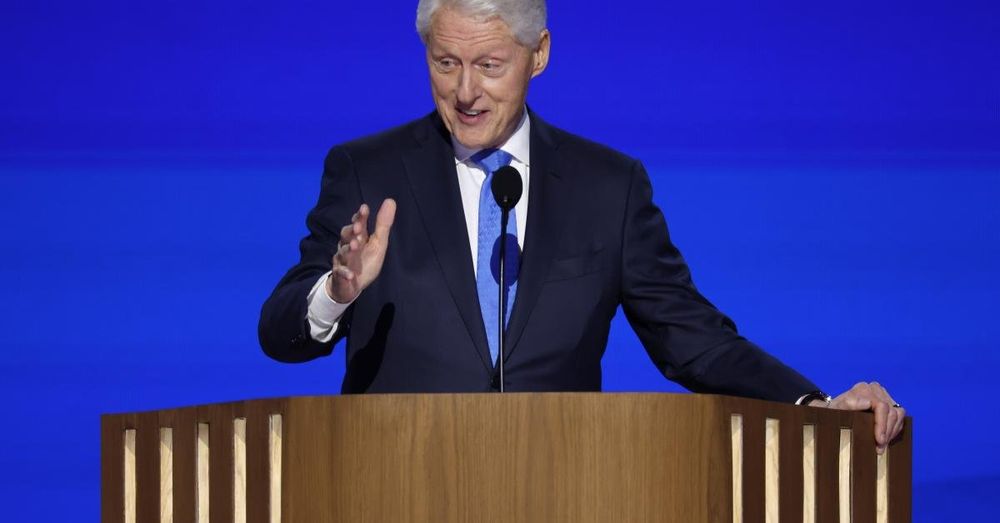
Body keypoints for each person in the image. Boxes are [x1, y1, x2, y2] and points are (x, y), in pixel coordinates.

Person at [259, 0, 905, 451]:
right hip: (390, 487)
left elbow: (694, 340)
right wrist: (335, 294)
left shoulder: (608, 188)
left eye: (489, 64)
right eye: (445, 62)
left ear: (538, 54)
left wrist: (812, 406)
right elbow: (279, 331)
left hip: (560, 485)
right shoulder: (368, 171)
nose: (465, 92)